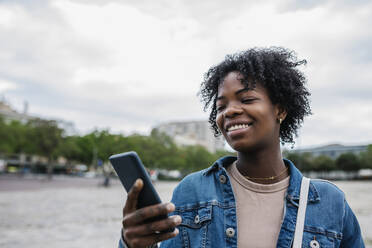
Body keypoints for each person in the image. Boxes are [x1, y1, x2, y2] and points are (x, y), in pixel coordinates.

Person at [118, 47, 365, 248]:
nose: (230, 111)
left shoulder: (331, 203)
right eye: (221, 106)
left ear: (280, 109)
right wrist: (132, 245)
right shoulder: (191, 192)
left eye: (246, 99)